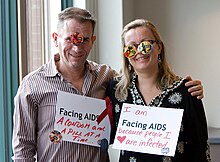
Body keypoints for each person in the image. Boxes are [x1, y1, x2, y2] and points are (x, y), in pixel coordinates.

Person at [12, 7, 204, 162]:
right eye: (70, 39)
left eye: (84, 40)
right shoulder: (32, 85)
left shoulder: (107, 79)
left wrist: (189, 88)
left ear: (92, 41)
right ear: (55, 39)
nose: (77, 47)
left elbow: (199, 146)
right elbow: (23, 149)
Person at [107, 19, 211, 162]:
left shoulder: (186, 91)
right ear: (126, 54)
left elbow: (199, 147)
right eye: (131, 48)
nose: (139, 52)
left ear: (159, 47)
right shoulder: (116, 89)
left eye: (145, 45)